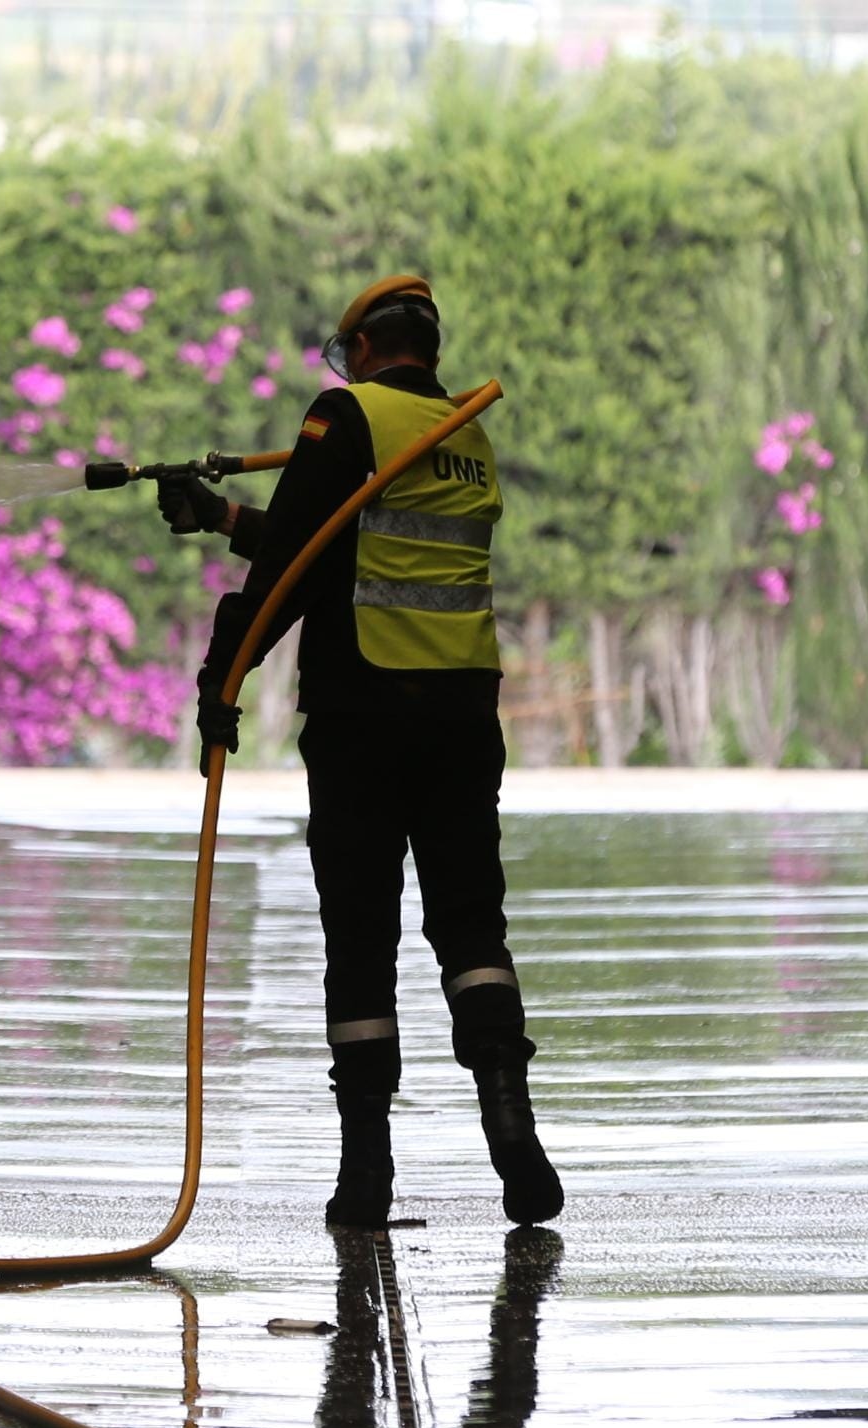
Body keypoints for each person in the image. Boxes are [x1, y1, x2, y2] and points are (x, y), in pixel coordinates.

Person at [157, 275, 563, 1230]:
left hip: (363, 716)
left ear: (367, 349)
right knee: (471, 925)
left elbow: (293, 568)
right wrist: (222, 516)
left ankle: (367, 1171)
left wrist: (223, 677)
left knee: (360, 934)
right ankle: (513, 1125)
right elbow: (341, 547)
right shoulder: (464, 435)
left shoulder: (345, 417)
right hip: (462, 714)